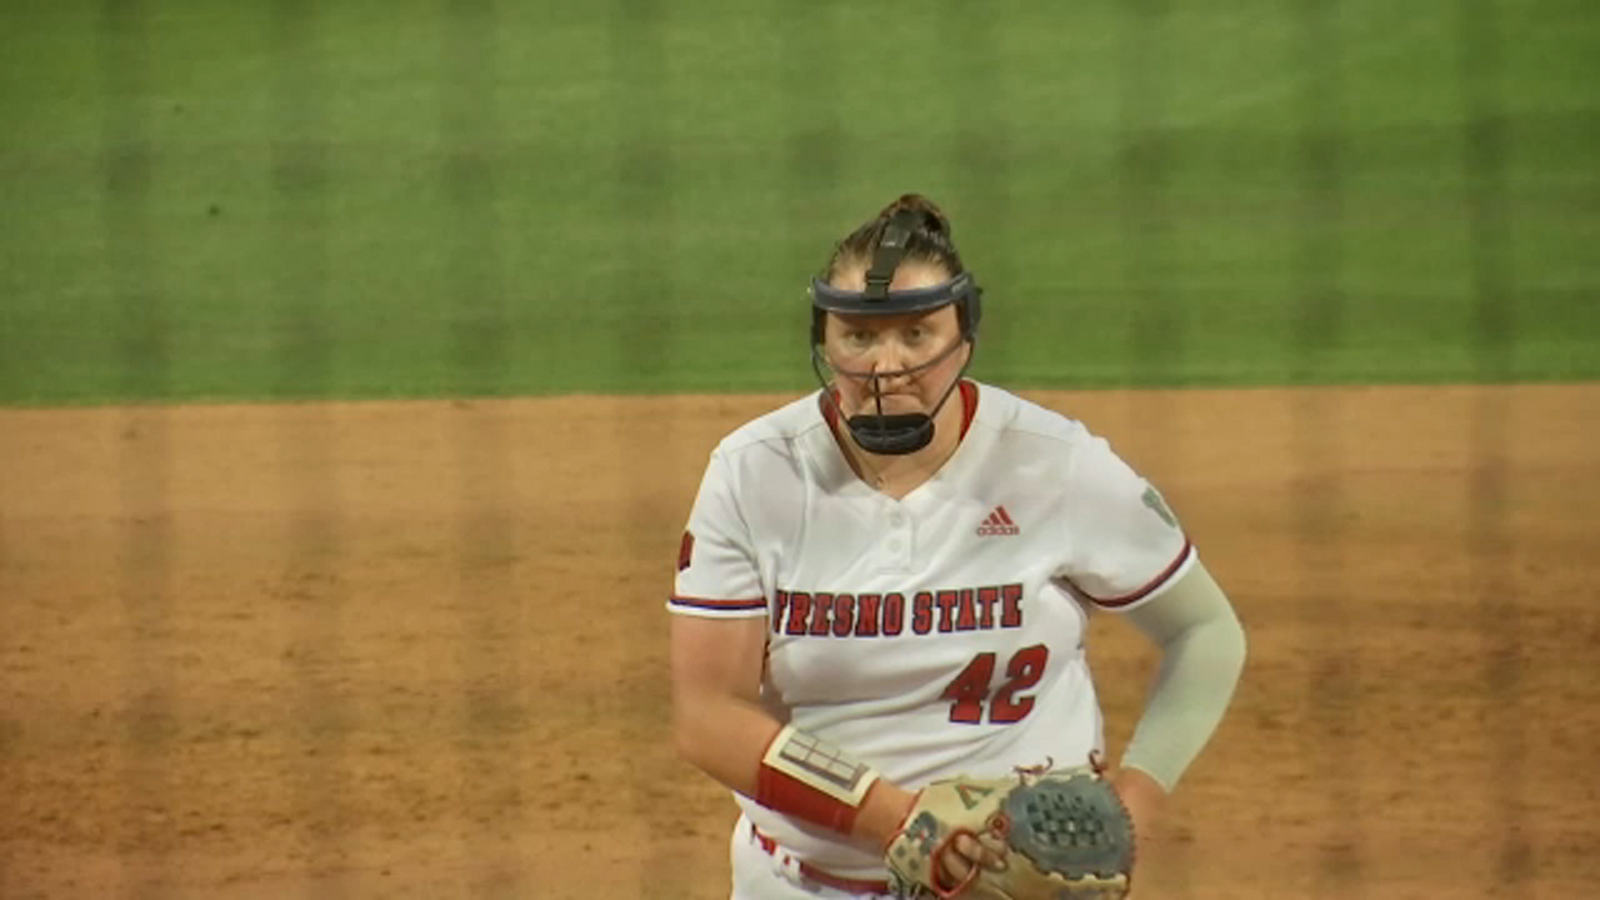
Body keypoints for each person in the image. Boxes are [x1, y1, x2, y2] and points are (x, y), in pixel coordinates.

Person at [669, 194, 1247, 898]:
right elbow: (708, 718)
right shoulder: (755, 470)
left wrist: (1135, 803)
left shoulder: (1052, 464)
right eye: (859, 335)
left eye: (917, 335)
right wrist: (896, 820)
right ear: (824, 341)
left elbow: (1206, 631)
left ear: (964, 336)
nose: (887, 366)